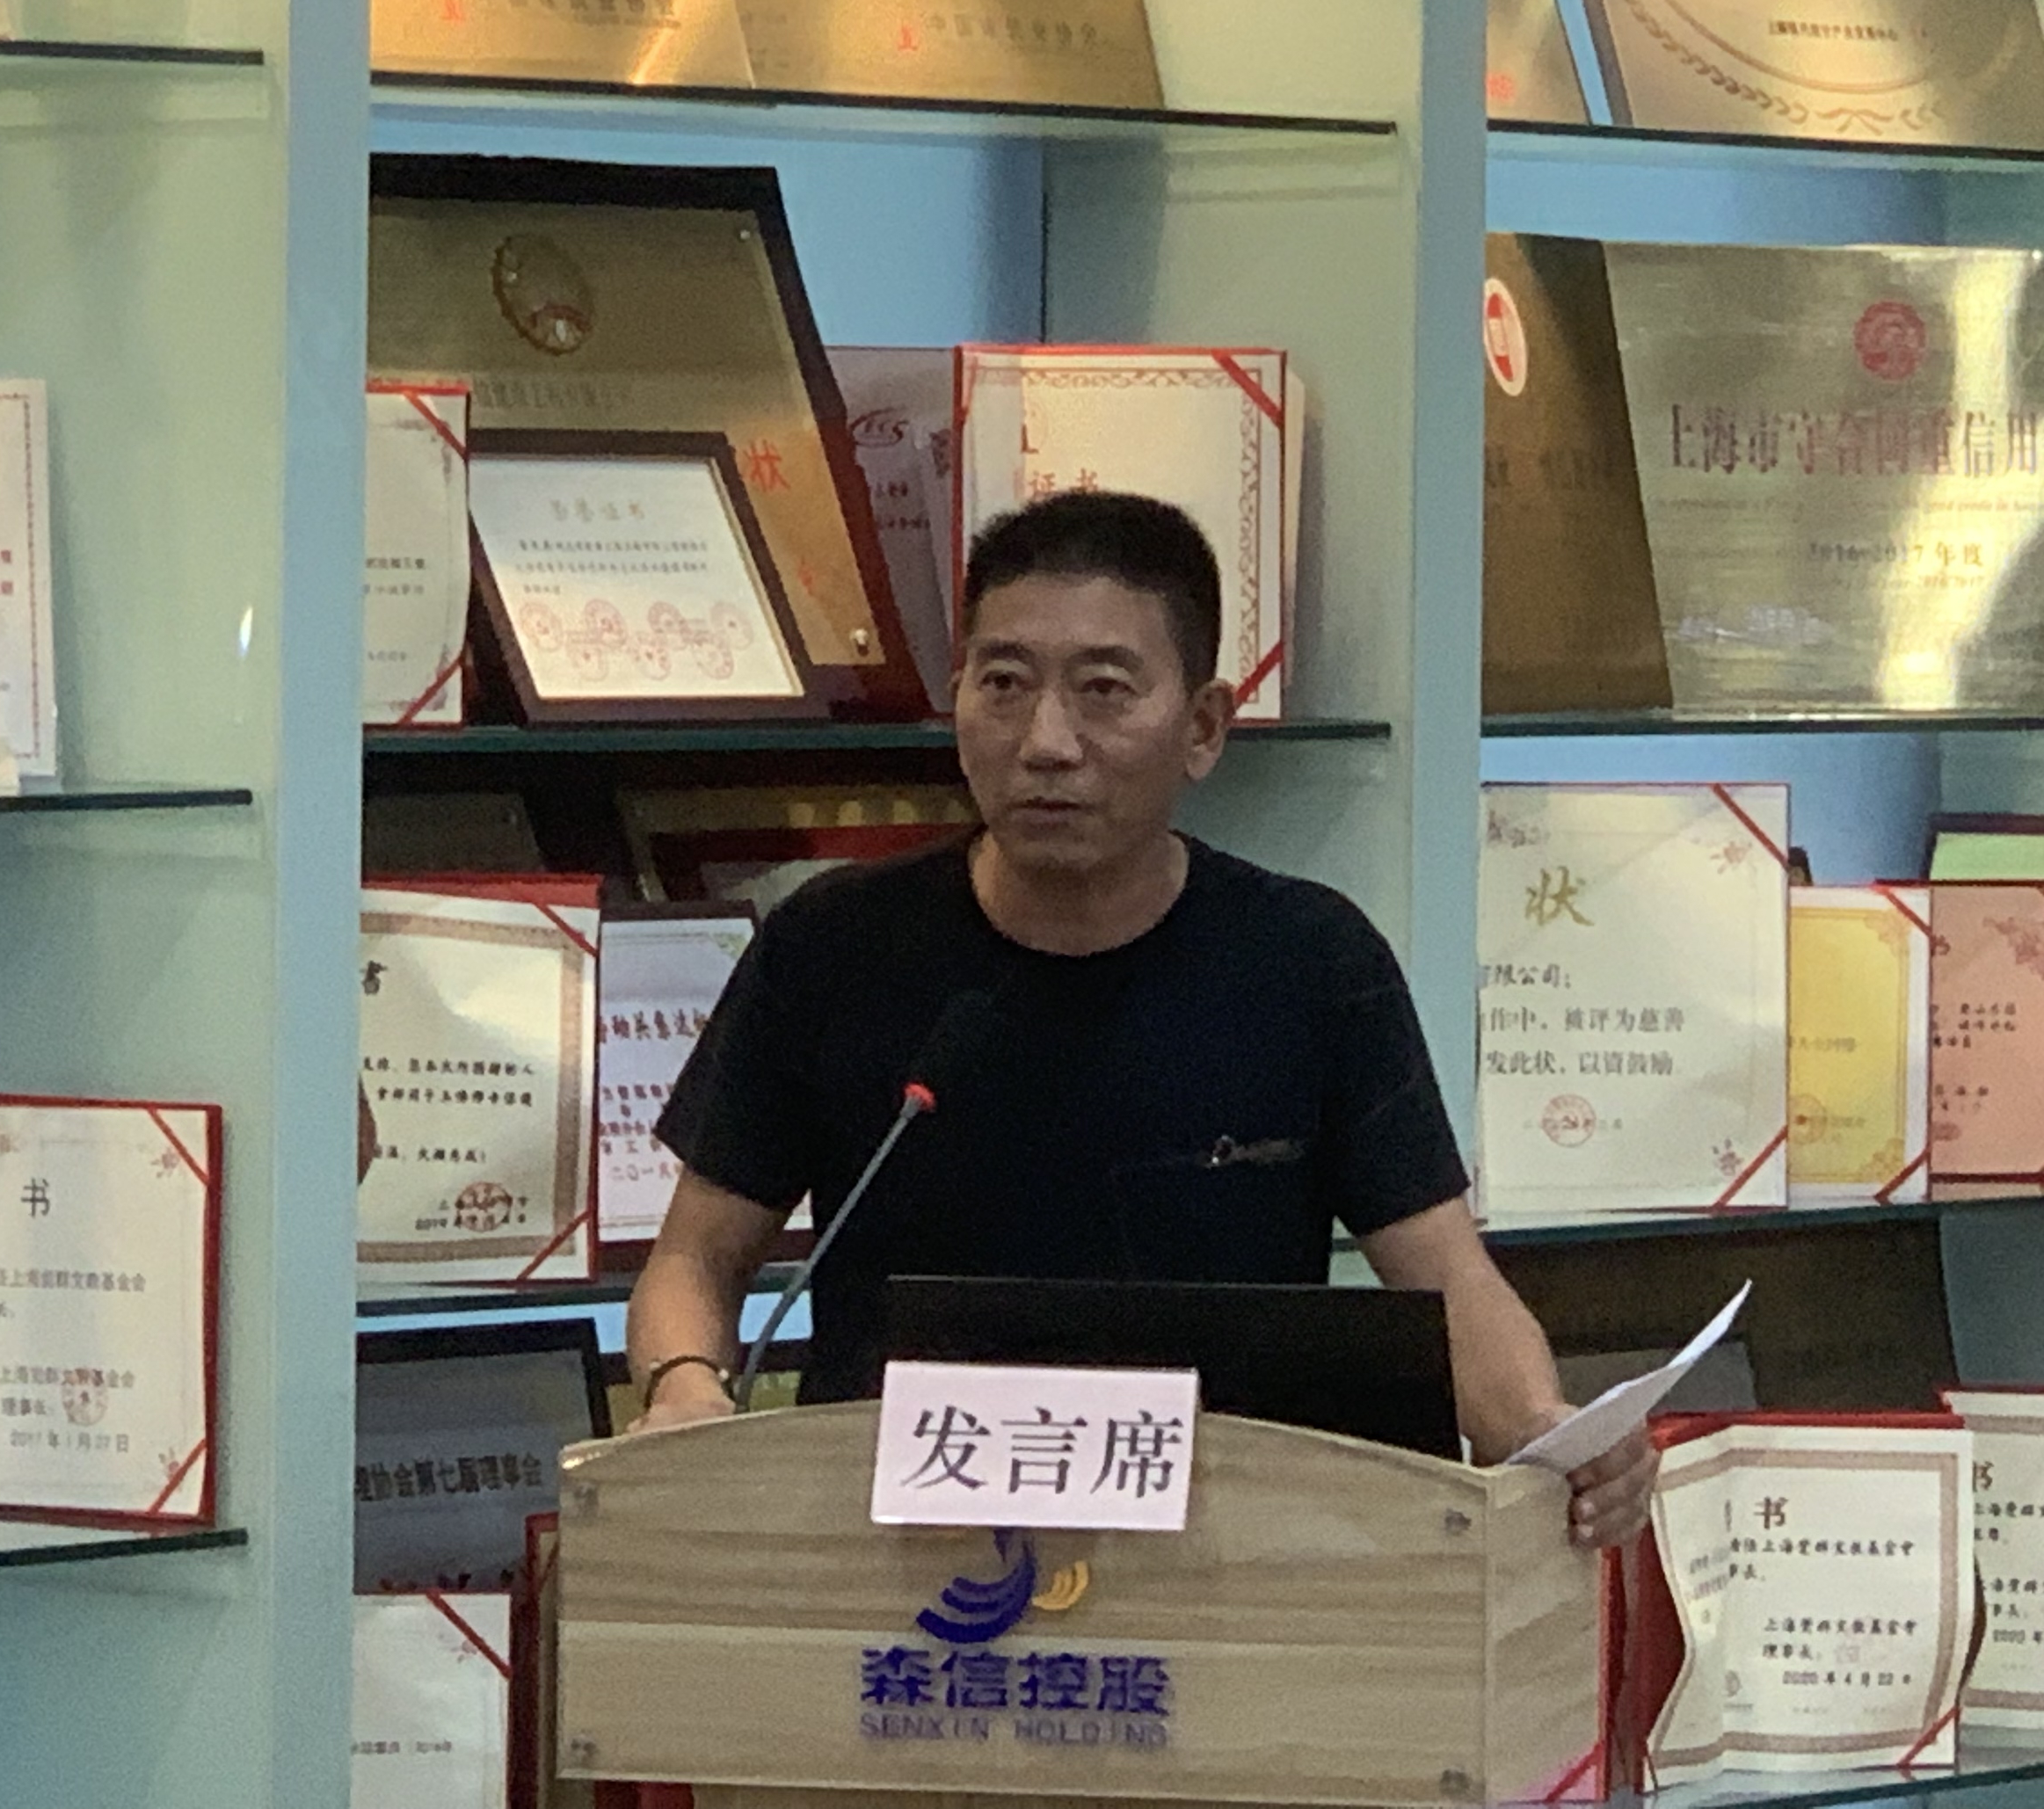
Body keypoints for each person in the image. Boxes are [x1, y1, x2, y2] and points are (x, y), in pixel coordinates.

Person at [625, 488, 1658, 1551]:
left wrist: (1546, 1431)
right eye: (1004, 684)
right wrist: (685, 1387)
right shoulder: (834, 945)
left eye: (1104, 692)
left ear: (1203, 727)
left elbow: (1446, 1278)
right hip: (894, 1554)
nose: (1046, 742)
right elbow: (697, 1258)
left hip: (1231, 1561)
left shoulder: (1310, 961)